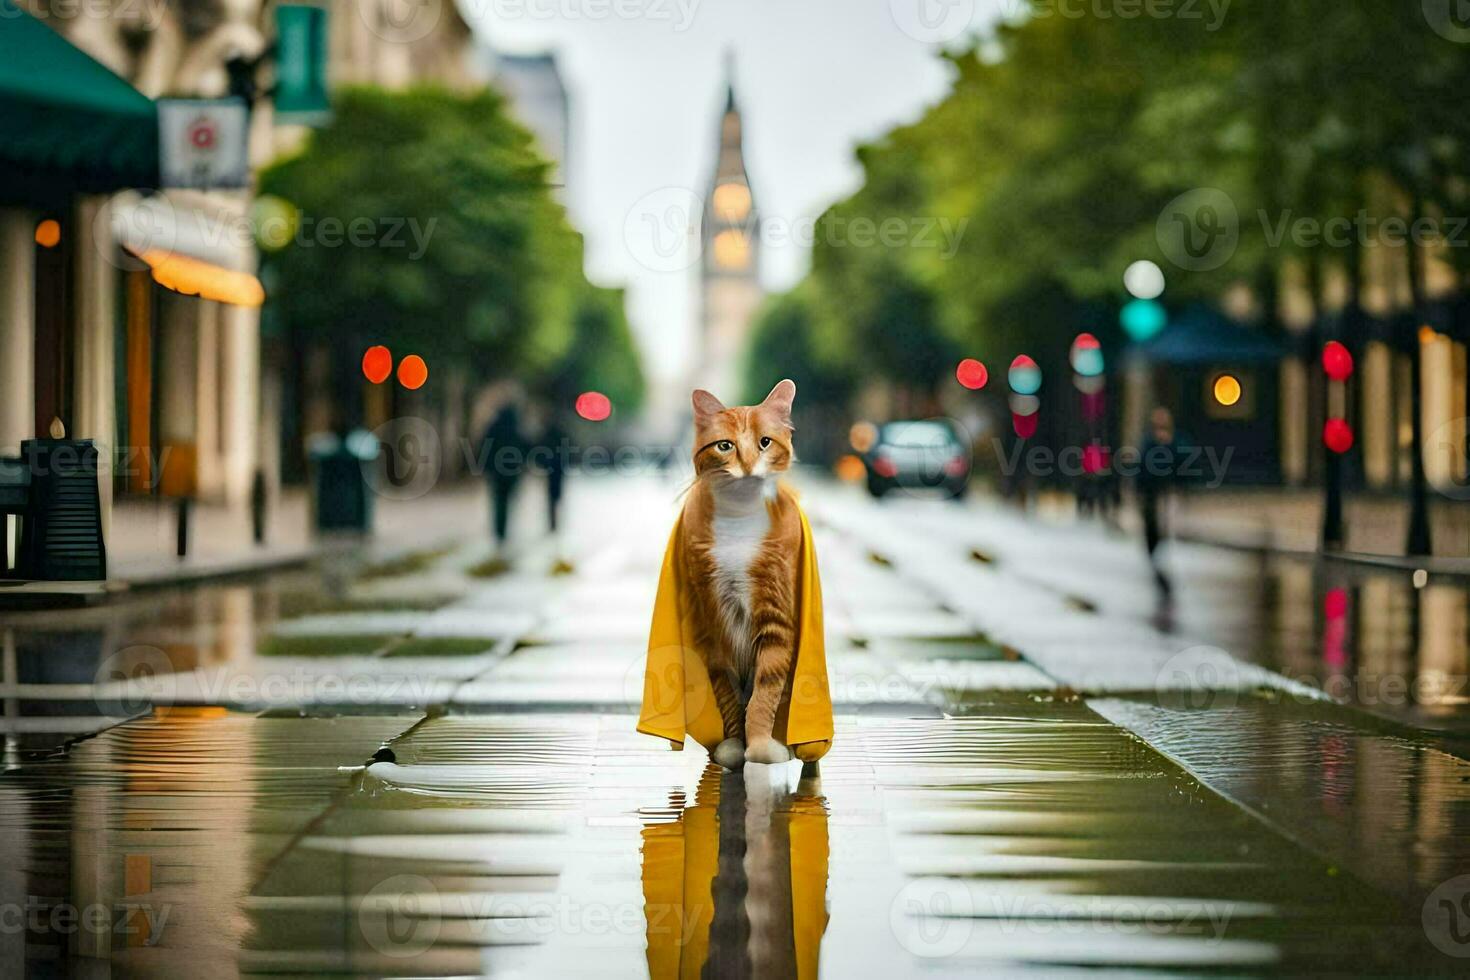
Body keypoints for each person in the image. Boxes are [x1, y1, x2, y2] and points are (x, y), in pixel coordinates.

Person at [1135, 406, 1178, 601]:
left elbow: (1182, 462)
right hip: (1150, 493)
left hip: (1165, 492)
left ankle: (1159, 551)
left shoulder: (1173, 442)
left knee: (1164, 524)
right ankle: (1153, 552)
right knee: (1151, 525)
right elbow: (1142, 468)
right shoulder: (1148, 443)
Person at [481, 398, 528, 554]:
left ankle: (499, 532)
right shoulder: (517, 429)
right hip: (511, 473)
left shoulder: (494, 427)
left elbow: (484, 447)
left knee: (498, 503)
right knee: (507, 502)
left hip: (497, 473)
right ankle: (503, 532)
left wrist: (486, 467)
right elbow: (525, 449)